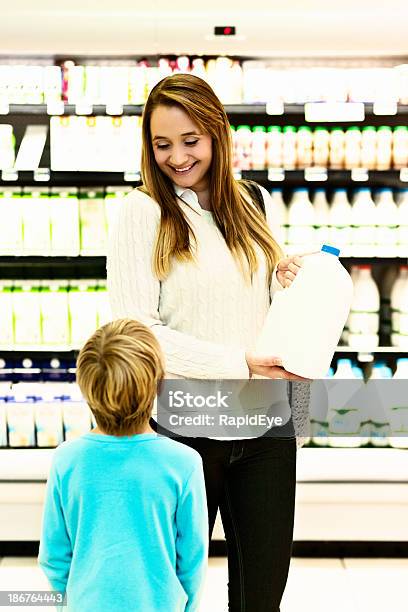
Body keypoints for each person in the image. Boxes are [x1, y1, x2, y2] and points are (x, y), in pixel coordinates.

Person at [107, 73, 310, 612]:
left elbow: (262, 312)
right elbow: (136, 331)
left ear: (217, 134)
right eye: (162, 143)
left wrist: (285, 282)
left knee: (262, 594)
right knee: (171, 592)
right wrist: (237, 363)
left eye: (191, 140)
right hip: (184, 430)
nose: (177, 156)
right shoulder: (141, 212)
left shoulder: (252, 202)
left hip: (265, 428)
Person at [38, 318, 208, 612]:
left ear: (85, 386)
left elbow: (54, 557)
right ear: (158, 383)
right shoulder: (184, 463)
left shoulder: (66, 460)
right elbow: (191, 560)